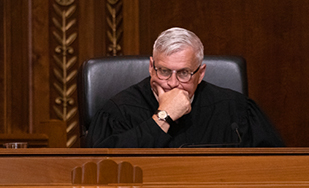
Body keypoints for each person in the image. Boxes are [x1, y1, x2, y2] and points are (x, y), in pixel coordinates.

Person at [86, 27, 284, 148]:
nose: (172, 82)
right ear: (151, 67)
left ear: (201, 72)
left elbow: (273, 167)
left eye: (183, 73)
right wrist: (163, 117)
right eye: (164, 71)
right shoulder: (118, 111)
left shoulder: (235, 109)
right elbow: (102, 170)